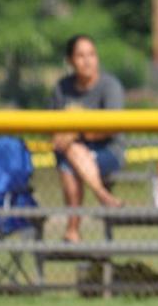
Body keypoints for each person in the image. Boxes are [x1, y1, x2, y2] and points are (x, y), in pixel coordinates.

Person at [50, 35, 125, 243]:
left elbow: (111, 128)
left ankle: (73, 228)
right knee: (71, 157)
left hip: (108, 152)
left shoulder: (110, 86)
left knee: (72, 156)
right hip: (71, 154)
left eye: (92, 54)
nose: (87, 60)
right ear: (71, 61)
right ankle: (102, 196)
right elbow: (53, 129)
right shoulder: (62, 87)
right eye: (81, 55)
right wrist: (71, 137)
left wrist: (77, 133)